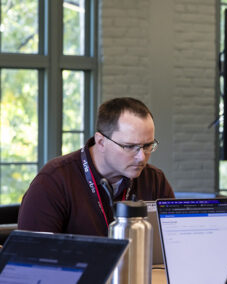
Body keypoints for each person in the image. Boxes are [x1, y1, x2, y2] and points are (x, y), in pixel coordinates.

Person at [18, 97, 174, 237]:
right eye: (130, 146)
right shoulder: (54, 181)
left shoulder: (155, 180)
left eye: (148, 146)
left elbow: (174, 244)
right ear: (101, 142)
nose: (142, 157)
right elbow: (32, 259)